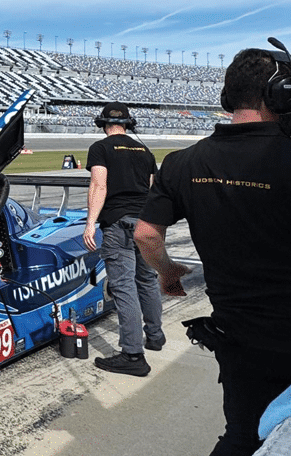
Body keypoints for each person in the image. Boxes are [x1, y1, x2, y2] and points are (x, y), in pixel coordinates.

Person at [135, 45, 291, 456]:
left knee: (243, 434)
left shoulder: (182, 162)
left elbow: (146, 235)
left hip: (237, 336)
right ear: (280, 94)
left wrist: (168, 272)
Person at [83, 101, 162, 377]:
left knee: (124, 287)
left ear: (103, 124)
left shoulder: (100, 148)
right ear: (129, 124)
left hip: (119, 223)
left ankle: (132, 355)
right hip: (147, 222)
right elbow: (154, 190)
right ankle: (155, 336)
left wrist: (90, 224)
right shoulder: (144, 150)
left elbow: (99, 185)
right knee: (147, 280)